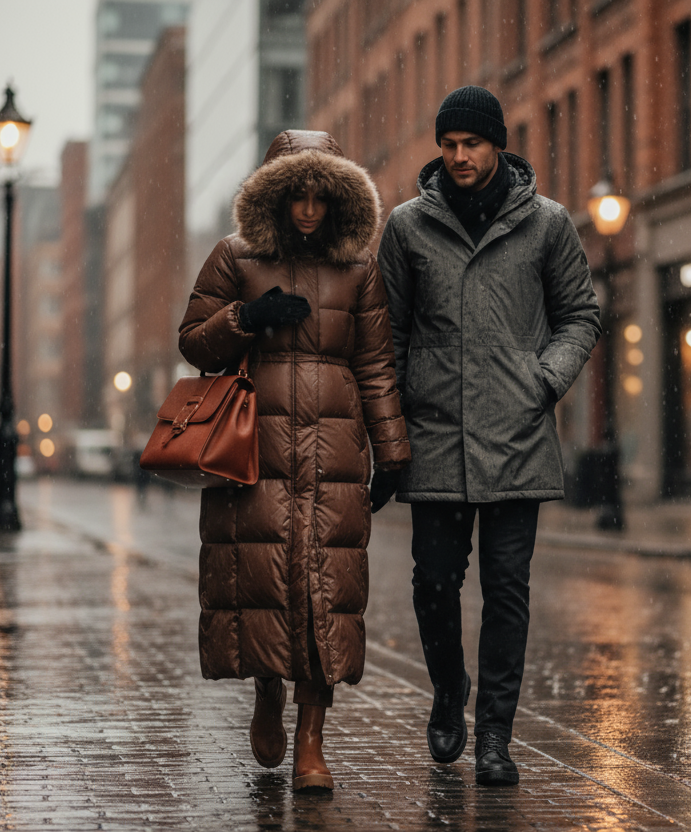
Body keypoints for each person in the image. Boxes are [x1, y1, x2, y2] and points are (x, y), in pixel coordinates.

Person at [377, 86, 601, 785]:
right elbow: (388, 334)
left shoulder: (548, 225)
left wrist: (542, 382)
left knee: (508, 591)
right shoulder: (407, 227)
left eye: (471, 144)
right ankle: (449, 689)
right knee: (434, 585)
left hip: (518, 436)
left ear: (497, 144)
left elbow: (580, 315)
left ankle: (496, 738)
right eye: (448, 145)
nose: (459, 156)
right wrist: (398, 416)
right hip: (437, 438)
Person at [179, 130, 410, 791]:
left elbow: (373, 363)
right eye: (296, 197)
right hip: (254, 447)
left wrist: (391, 451)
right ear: (274, 197)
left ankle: (313, 739)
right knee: (262, 582)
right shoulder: (234, 256)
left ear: (335, 199)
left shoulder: (359, 268)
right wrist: (246, 317)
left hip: (333, 450)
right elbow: (194, 342)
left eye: (319, 197)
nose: (308, 211)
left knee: (324, 594)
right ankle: (265, 691)